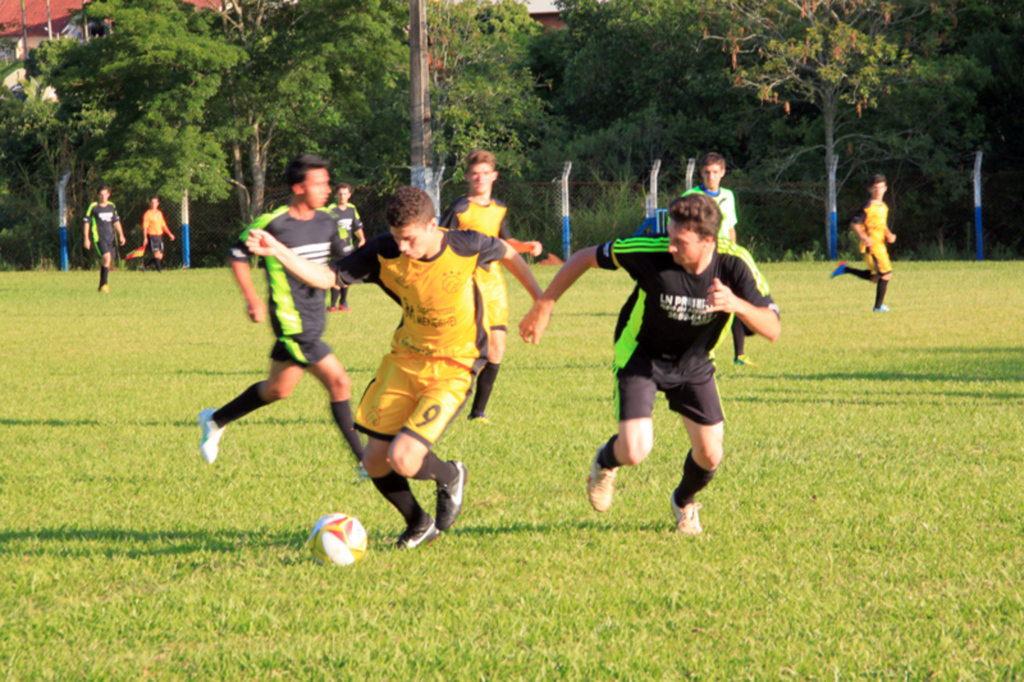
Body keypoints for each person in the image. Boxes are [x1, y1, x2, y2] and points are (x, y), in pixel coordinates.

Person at [246, 186, 543, 549]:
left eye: (411, 239)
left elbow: (509, 252)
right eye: (398, 239)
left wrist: (540, 303)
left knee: (403, 457)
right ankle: (420, 523)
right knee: (373, 459)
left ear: (433, 225)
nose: (403, 248)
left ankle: (450, 475)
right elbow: (327, 278)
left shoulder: (466, 245)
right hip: (404, 360)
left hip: (455, 364)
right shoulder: (384, 250)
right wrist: (277, 250)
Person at [519, 193, 780, 535]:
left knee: (710, 456)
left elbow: (773, 328)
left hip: (694, 363)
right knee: (635, 449)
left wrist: (737, 304)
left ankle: (684, 502)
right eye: (669, 236)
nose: (670, 246)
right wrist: (544, 305)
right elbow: (583, 257)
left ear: (708, 241)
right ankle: (605, 461)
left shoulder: (735, 264)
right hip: (641, 356)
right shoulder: (649, 249)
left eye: (680, 242)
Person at [197, 154, 364, 473]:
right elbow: (237, 253)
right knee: (340, 382)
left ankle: (215, 419)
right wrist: (252, 299)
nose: (327, 189)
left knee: (278, 389)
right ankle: (364, 460)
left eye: (328, 183)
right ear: (298, 187)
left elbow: (343, 262)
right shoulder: (274, 223)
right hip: (293, 323)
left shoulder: (327, 221)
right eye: (320, 184)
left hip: (314, 317)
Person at [440, 150, 543, 423]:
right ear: (467, 177)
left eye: (485, 173)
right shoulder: (459, 209)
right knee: (467, 349)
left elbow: (505, 244)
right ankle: (447, 402)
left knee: (497, 349)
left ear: (494, 176)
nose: (480, 178)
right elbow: (440, 243)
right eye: (475, 173)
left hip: (494, 284)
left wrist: (527, 246)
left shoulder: (499, 209)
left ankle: (478, 413)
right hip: (464, 283)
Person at [682, 152, 755, 366]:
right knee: (702, 305)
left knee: (734, 301)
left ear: (722, 173)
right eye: (707, 172)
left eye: (715, 172)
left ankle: (739, 355)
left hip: (725, 256)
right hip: (702, 258)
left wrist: (734, 251)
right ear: (701, 174)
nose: (711, 177)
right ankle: (700, 352)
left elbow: (730, 227)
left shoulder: (728, 196)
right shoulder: (691, 196)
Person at [830, 174, 896, 312]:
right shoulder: (868, 207)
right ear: (870, 190)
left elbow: (881, 225)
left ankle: (845, 269)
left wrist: (889, 234)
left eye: (881, 187)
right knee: (886, 274)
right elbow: (855, 222)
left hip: (880, 245)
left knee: (875, 277)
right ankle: (878, 307)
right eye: (875, 188)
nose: (878, 191)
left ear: (885, 189)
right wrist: (863, 237)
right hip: (871, 246)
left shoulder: (883, 207)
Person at [325, 183, 366, 312]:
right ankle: (333, 305)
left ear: (349, 195)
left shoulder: (352, 209)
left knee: (346, 276)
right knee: (337, 276)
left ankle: (342, 303)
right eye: (340, 194)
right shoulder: (331, 209)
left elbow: (357, 226)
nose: (342, 196)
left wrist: (362, 239)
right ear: (336, 195)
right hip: (335, 248)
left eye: (345, 194)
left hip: (349, 248)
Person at [83, 186, 126, 293]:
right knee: (107, 257)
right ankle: (105, 284)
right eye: (101, 194)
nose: (103, 196)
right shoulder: (94, 207)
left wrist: (121, 235)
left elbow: (116, 222)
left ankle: (101, 285)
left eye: (105, 194)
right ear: (98, 195)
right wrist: (86, 238)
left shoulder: (112, 206)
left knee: (107, 261)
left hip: (110, 238)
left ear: (108, 195)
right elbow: (87, 223)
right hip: (99, 237)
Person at [141, 197, 176, 272]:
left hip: (159, 236)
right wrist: (145, 238)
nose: (154, 204)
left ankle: (145, 267)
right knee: (156, 254)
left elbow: (163, 225)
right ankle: (159, 270)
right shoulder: (148, 214)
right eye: (152, 203)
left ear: (158, 203)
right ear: (150, 204)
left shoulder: (159, 213)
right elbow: (145, 227)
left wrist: (170, 234)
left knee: (160, 256)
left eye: (155, 203)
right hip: (152, 236)